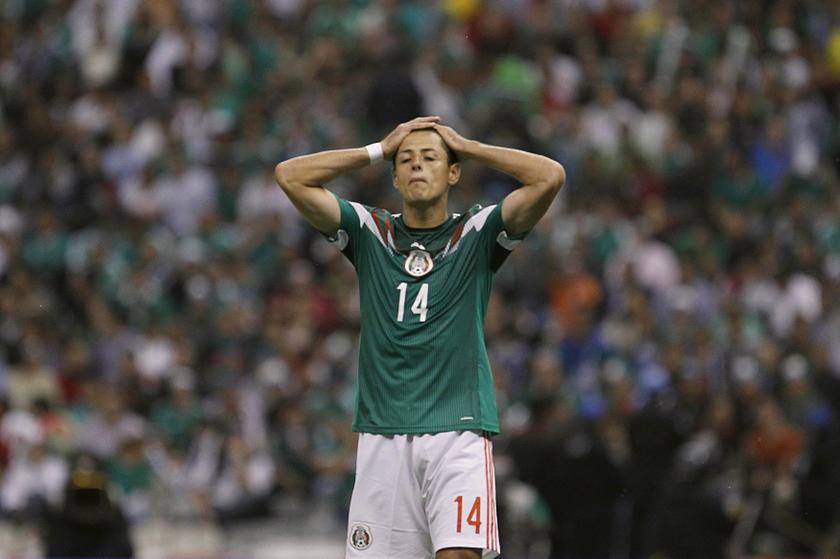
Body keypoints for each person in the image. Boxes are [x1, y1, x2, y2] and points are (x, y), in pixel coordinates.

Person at [275, 116, 565, 558]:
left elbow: (549, 176)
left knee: (459, 554)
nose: (416, 166)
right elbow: (290, 175)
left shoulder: (476, 232)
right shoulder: (370, 231)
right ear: (394, 177)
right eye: (406, 160)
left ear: (453, 173)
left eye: (430, 158)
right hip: (383, 432)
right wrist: (377, 149)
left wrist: (468, 146)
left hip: (458, 429)